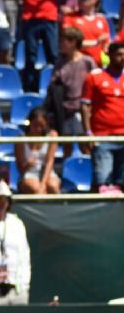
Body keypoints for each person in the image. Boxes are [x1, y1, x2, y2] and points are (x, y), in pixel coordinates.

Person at [81, 41, 124, 194]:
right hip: (103, 136)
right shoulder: (95, 77)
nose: (122, 58)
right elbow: (85, 106)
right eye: (119, 55)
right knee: (102, 181)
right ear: (109, 55)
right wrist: (88, 133)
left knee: (122, 182)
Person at [45, 27, 95, 156]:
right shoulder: (60, 63)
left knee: (85, 146)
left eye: (63, 41)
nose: (61, 44)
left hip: (82, 111)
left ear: (73, 42)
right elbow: (53, 85)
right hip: (65, 110)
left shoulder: (88, 62)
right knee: (67, 147)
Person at [14, 0, 64, 91]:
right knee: (30, 56)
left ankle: (55, 88)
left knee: (52, 55)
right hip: (30, 19)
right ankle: (30, 89)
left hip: (49, 18)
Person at [62, 0, 110, 67]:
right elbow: (70, 42)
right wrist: (95, 42)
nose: (80, 0)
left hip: (96, 65)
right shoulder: (70, 18)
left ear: (95, 0)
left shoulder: (102, 20)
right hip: (76, 65)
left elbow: (106, 44)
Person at [15, 107, 60, 194]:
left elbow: (49, 161)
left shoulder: (52, 136)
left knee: (53, 186)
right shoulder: (20, 140)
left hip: (47, 172)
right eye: (35, 125)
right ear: (29, 123)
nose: (38, 129)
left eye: (42, 126)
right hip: (28, 173)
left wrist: (43, 183)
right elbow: (20, 169)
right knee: (36, 189)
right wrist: (28, 164)